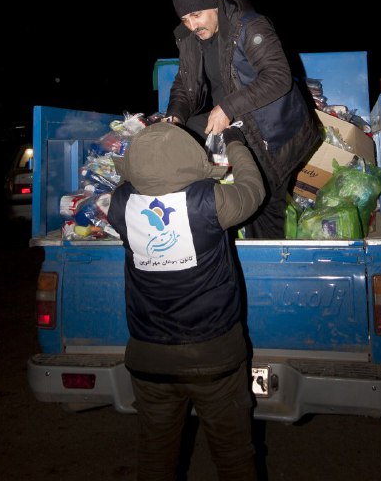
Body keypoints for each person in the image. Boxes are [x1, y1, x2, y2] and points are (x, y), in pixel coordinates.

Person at [107, 120, 265, 481]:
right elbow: (253, 189)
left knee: (155, 460)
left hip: (148, 360)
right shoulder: (211, 202)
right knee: (235, 460)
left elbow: (133, 182)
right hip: (214, 359)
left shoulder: (120, 206)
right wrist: (236, 142)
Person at [165, 0, 320, 239]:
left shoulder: (249, 27)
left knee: (264, 203)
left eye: (196, 15)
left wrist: (226, 107)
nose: (192, 25)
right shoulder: (192, 40)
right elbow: (184, 84)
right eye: (185, 20)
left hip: (272, 131)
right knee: (188, 135)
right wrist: (175, 117)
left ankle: (269, 267)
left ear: (212, 5)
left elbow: (278, 77)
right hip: (236, 122)